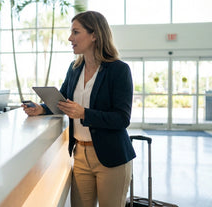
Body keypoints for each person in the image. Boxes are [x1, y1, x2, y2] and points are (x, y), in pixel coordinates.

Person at [22, 11, 136, 207]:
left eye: (75, 32)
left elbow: (122, 119)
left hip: (111, 158)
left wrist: (84, 113)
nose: (70, 38)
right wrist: (41, 109)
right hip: (80, 155)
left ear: (94, 35)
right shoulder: (74, 69)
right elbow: (63, 101)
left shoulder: (119, 70)